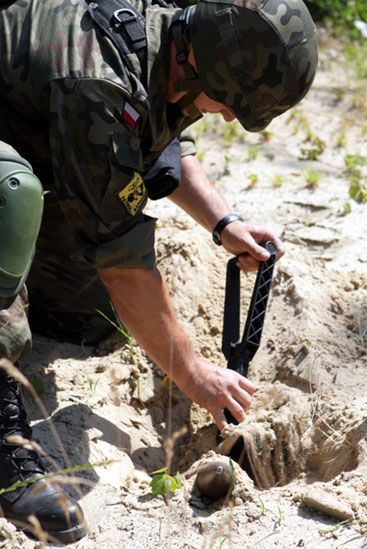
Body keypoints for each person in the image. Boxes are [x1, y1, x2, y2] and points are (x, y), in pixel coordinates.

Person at [0, 0, 318, 542]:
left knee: (88, 316)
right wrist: (196, 376)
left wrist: (223, 223)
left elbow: (162, 142)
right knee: (12, 200)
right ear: (201, 63)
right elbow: (125, 266)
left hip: (32, 129)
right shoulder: (98, 83)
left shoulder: (167, 42)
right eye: (229, 101)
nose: (223, 115)